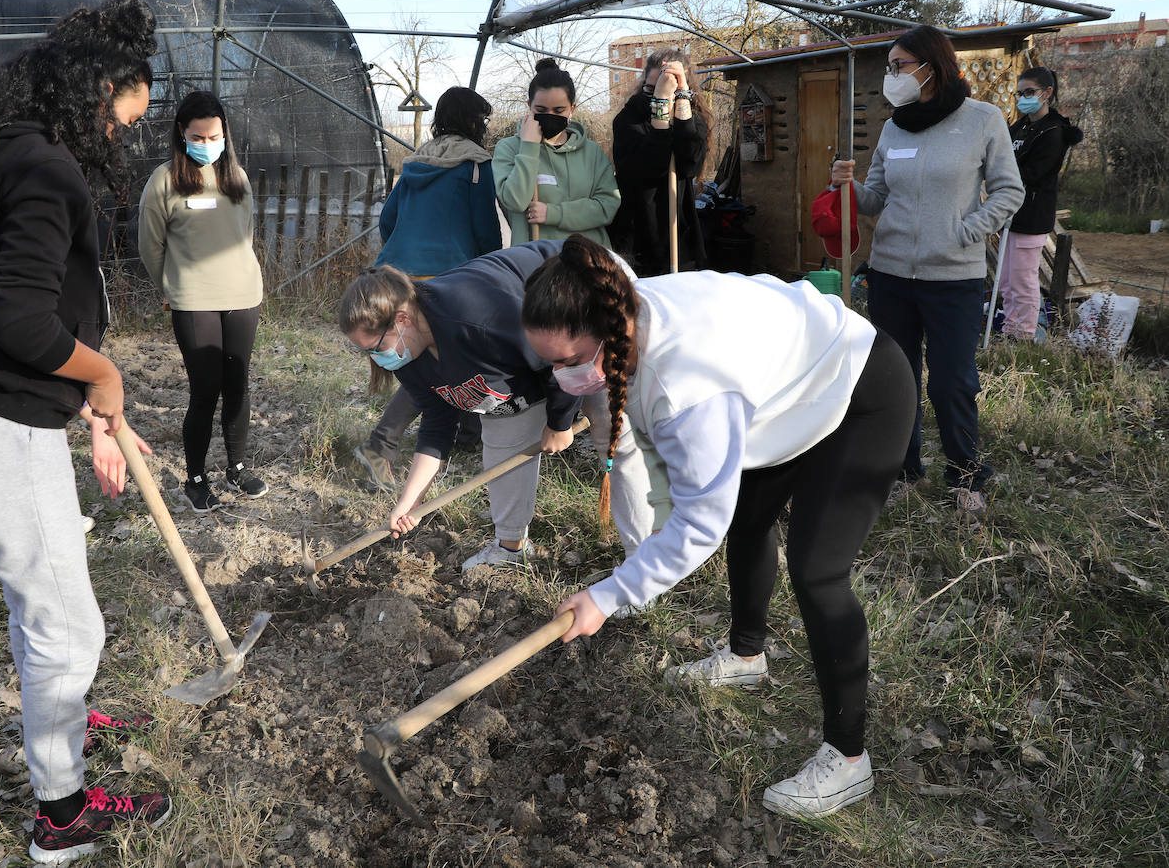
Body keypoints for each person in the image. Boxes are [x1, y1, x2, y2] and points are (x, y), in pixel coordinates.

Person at [0, 0, 172, 863]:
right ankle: (62, 815)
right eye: (123, 117)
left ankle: (65, 700)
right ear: (97, 90)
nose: (124, 137)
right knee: (70, 623)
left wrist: (79, 405)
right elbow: (20, 323)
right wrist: (104, 375)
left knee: (45, 590)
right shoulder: (49, 171)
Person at [521, 234, 915, 820]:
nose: (560, 379)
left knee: (817, 570)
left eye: (569, 362)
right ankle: (746, 657)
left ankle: (848, 760)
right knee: (751, 520)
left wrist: (610, 595)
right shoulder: (619, 298)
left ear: (608, 333)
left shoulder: (686, 387)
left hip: (860, 386)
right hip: (783, 392)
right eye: (548, 363)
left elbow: (699, 522)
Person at [338, 241, 651, 571]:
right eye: (367, 352)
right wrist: (411, 500)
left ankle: (645, 562)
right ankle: (512, 548)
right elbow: (437, 419)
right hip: (530, 359)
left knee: (609, 428)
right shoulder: (407, 354)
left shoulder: (479, 319)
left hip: (583, 298)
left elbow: (557, 357)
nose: (377, 358)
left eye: (376, 347)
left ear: (401, 319)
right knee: (504, 439)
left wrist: (559, 422)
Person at [830, 25, 1023, 517]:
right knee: (899, 380)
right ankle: (903, 470)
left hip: (953, 276)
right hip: (891, 273)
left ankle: (964, 475)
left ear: (929, 67)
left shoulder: (982, 120)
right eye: (889, 67)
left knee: (952, 381)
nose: (891, 76)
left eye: (898, 66)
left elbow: (1009, 191)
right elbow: (875, 198)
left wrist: (966, 231)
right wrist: (847, 187)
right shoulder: (895, 126)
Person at [352, 86, 501, 491]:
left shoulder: (416, 161)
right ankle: (380, 445)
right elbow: (485, 227)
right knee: (440, 368)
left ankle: (467, 436)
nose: (485, 128)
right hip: (446, 278)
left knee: (454, 360)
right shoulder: (474, 165)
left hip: (397, 273)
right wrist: (490, 270)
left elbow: (388, 220)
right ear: (473, 121)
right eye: (483, 120)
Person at [138, 90, 268, 512]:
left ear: (225, 134)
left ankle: (238, 466)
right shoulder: (164, 182)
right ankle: (195, 478)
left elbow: (245, 233)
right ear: (181, 133)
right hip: (193, 301)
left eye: (215, 136)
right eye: (198, 136)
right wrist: (169, 287)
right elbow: (150, 246)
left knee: (238, 384)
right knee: (205, 389)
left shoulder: (238, 178)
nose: (207, 144)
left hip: (243, 295)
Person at [493, 58, 620, 247]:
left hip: (589, 260)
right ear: (529, 105)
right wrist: (529, 147)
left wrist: (553, 213)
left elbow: (607, 206)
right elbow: (515, 201)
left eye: (559, 110)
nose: (550, 115)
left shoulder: (591, 152)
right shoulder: (509, 148)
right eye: (541, 109)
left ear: (572, 109)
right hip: (536, 262)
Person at [609, 48, 709, 276]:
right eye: (650, 88)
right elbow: (651, 167)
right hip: (636, 239)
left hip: (678, 237)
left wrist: (681, 99)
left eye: (667, 88)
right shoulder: (629, 118)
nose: (656, 94)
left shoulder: (693, 119)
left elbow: (690, 164)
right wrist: (661, 106)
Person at [1001, 66, 1082, 341]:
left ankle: (1023, 334)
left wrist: (1002, 176)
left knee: (1023, 280)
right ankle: (1009, 328)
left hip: (1032, 214)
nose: (1023, 98)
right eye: (1019, 93)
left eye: (1029, 92)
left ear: (1047, 93)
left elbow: (1034, 174)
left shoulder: (1054, 131)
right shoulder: (1021, 126)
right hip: (1011, 213)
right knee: (1006, 280)